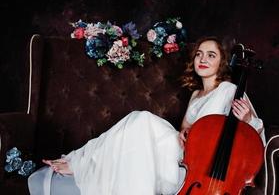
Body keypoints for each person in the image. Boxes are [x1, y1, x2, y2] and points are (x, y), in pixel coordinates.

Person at [28, 36, 265, 195]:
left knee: (141, 119)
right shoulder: (195, 95)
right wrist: (185, 134)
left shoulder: (229, 90)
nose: (203, 59)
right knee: (138, 120)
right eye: (199, 54)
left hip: (199, 168)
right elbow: (184, 130)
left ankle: (77, 161)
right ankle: (78, 161)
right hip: (183, 155)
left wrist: (246, 121)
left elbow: (253, 135)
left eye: (211, 55)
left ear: (222, 62)